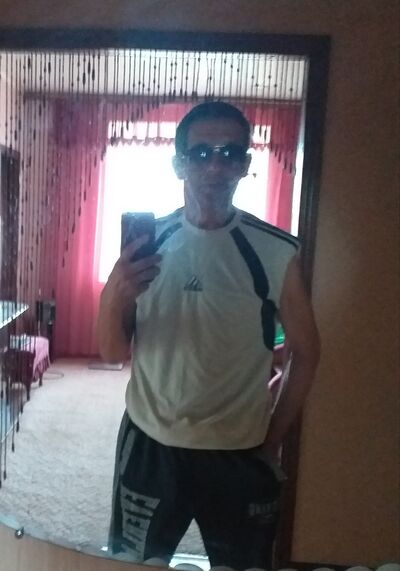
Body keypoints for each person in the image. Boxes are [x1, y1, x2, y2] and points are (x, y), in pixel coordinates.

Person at [97, 101, 320, 570]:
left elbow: (306, 350)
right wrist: (114, 295)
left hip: (239, 450)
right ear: (178, 163)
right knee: (132, 565)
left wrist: (274, 436)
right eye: (200, 153)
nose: (216, 166)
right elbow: (112, 353)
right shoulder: (148, 245)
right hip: (151, 443)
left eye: (229, 153)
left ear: (245, 163)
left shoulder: (275, 250)